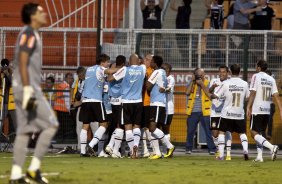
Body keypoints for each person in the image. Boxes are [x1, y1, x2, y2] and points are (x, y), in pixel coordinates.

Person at [10, 3, 59, 183]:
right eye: (40, 11)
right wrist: (29, 88)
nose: (44, 13)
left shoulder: (31, 33)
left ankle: (16, 174)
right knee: (51, 124)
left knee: (25, 130)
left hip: (22, 87)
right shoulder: (30, 33)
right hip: (27, 88)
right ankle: (33, 169)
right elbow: (22, 61)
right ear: (32, 16)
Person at [108, 54, 146, 159]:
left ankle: (132, 150)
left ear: (129, 61)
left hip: (126, 102)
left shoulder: (125, 69)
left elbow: (110, 78)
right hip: (138, 101)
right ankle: (136, 147)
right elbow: (143, 63)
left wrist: (113, 72)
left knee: (128, 128)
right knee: (137, 127)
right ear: (138, 61)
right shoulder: (143, 68)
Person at [79, 54, 117, 157]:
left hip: (85, 101)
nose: (108, 64)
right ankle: (91, 145)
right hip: (96, 100)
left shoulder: (89, 69)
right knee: (104, 124)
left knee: (85, 126)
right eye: (107, 62)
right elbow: (109, 72)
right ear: (103, 62)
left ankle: (83, 152)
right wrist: (122, 69)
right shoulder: (100, 69)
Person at [247, 60, 282, 162]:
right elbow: (276, 95)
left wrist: (248, 106)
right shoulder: (271, 79)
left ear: (258, 67)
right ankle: (259, 156)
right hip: (267, 110)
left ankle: (272, 147)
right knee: (260, 133)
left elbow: (253, 92)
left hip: (257, 109)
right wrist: (280, 109)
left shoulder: (256, 76)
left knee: (253, 132)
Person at [212, 64, 249, 160]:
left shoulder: (226, 83)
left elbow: (216, 95)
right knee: (242, 133)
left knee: (221, 132)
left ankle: (221, 155)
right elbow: (247, 97)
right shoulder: (245, 83)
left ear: (230, 72)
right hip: (239, 114)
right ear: (240, 71)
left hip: (227, 113)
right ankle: (245, 150)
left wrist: (211, 94)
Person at [146, 55, 175, 159]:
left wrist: (147, 80)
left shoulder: (157, 72)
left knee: (153, 128)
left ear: (155, 63)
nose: (150, 63)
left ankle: (170, 146)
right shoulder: (162, 72)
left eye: (152, 61)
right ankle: (157, 153)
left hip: (157, 103)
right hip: (158, 103)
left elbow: (148, 86)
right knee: (153, 128)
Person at [185, 68, 216, 154]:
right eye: (199, 75)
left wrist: (202, 84)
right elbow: (187, 93)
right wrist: (192, 81)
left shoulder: (207, 83)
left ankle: (212, 149)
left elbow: (209, 94)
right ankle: (188, 148)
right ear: (195, 75)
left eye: (202, 75)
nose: (201, 77)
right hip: (193, 111)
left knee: (208, 131)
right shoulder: (192, 83)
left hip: (205, 111)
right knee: (190, 131)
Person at [71, 66, 98, 153]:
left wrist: (78, 102)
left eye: (81, 75)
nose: (80, 77)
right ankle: (80, 148)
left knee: (95, 128)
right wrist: (73, 100)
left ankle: (95, 147)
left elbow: (90, 94)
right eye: (79, 76)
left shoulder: (91, 80)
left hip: (92, 105)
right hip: (82, 107)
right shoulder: (78, 80)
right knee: (79, 127)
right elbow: (73, 88)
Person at [209, 65, 233, 160]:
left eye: (224, 72)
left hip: (226, 112)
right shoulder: (214, 81)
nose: (222, 73)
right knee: (215, 134)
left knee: (226, 132)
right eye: (220, 72)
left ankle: (228, 153)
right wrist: (212, 87)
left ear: (228, 73)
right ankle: (219, 149)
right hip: (215, 111)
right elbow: (209, 91)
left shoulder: (230, 83)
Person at [105, 56, 126, 158]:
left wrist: (112, 71)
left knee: (115, 126)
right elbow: (110, 78)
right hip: (119, 101)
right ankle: (112, 148)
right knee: (119, 126)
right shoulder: (123, 71)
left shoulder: (110, 72)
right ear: (124, 63)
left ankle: (113, 148)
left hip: (111, 102)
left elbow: (108, 76)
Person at [53, 72, 75, 141]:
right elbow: (66, 100)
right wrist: (69, 111)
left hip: (59, 108)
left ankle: (60, 139)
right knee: (66, 126)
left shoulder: (62, 85)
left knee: (61, 126)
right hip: (63, 109)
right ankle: (65, 140)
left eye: (72, 78)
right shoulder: (66, 87)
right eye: (70, 78)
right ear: (66, 79)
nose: (72, 80)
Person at [0, 58, 17, 135]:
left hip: (12, 104)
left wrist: (7, 74)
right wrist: (2, 73)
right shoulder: (0, 74)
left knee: (17, 124)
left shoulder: (13, 74)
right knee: (0, 121)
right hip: (3, 103)